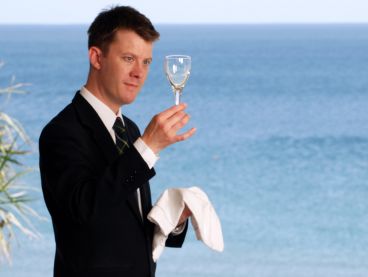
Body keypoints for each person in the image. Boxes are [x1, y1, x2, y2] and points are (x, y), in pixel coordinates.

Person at [39, 6, 195, 277]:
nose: (139, 72)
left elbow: (125, 226)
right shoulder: (61, 132)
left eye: (146, 62)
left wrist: (174, 220)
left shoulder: (130, 129)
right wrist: (148, 147)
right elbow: (85, 213)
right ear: (97, 57)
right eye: (128, 58)